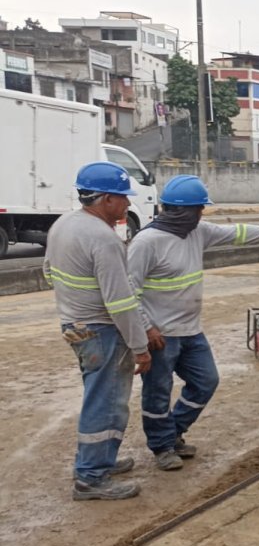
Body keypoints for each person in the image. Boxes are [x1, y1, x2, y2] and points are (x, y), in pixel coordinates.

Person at [127, 175, 259, 471]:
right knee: (157, 393)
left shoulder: (197, 231)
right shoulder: (146, 242)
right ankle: (162, 447)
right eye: (198, 208)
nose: (202, 213)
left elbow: (238, 233)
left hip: (191, 331)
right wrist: (146, 328)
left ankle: (173, 431)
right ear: (182, 211)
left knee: (206, 381)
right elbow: (128, 292)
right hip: (161, 335)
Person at [45, 162, 156, 501]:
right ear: (107, 199)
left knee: (98, 397)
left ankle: (99, 460)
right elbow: (121, 303)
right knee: (106, 403)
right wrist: (140, 346)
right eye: (123, 197)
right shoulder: (104, 239)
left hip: (76, 326)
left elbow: (48, 272)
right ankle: (91, 478)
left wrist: (74, 304)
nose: (127, 204)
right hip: (101, 331)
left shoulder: (63, 224)